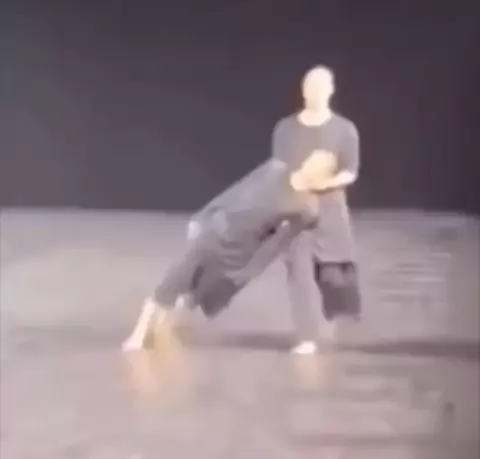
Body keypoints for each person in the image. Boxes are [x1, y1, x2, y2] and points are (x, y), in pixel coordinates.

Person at [122, 150, 337, 352]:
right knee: (175, 279)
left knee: (197, 294)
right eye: (313, 161)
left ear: (322, 177)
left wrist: (252, 268)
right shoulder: (277, 169)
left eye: (319, 169)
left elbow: (282, 240)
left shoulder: (305, 206)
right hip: (217, 231)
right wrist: (205, 213)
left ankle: (164, 328)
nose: (312, 168)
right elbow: (237, 189)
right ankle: (138, 336)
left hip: (239, 251)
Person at [272, 65, 361, 355]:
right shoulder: (286, 129)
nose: (315, 92)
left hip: (331, 212)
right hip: (297, 210)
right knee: (299, 274)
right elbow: (279, 169)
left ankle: (334, 312)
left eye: (321, 87)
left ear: (331, 91)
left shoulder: (344, 129)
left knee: (332, 277)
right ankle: (306, 336)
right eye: (310, 87)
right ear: (303, 90)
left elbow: (350, 171)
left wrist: (326, 181)